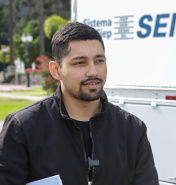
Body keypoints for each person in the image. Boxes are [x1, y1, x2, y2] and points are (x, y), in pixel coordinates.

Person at [0, 22, 159, 185]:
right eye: (80, 63)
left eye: (99, 61)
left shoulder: (132, 129)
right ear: (56, 70)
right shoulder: (23, 128)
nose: (93, 71)